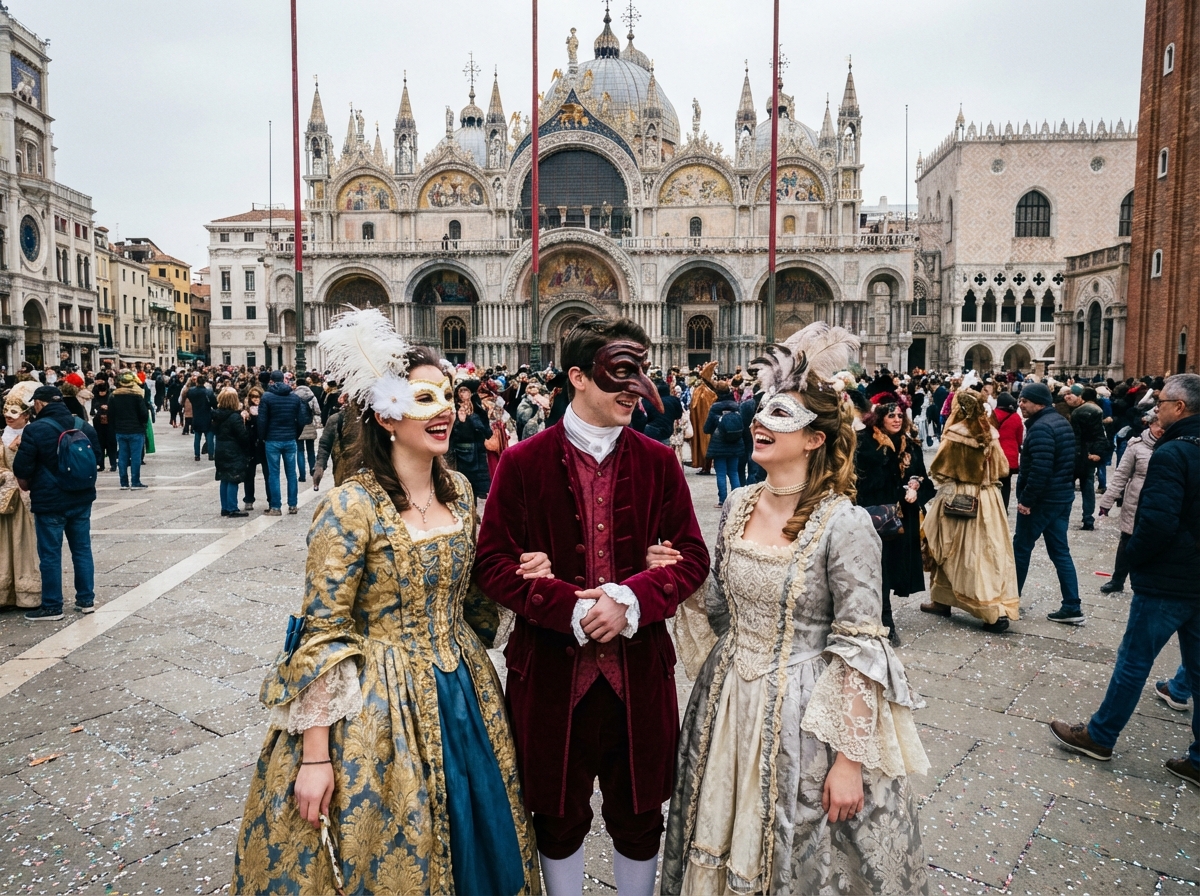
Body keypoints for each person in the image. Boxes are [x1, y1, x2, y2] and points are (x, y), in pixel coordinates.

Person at [232, 310, 543, 894]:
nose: (446, 408)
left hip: (466, 693)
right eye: (424, 396)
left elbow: (475, 604)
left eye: (448, 395)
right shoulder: (351, 506)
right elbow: (322, 631)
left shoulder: (461, 492)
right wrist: (317, 757)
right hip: (378, 709)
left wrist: (522, 570)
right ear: (385, 414)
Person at [661, 322, 929, 895]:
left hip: (806, 717)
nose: (758, 422)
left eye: (779, 415)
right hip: (727, 699)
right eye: (761, 411)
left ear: (814, 440)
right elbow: (719, 605)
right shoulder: (736, 504)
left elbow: (860, 644)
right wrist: (671, 577)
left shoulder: (846, 524)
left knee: (801, 847)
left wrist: (850, 760)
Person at [474, 316, 710, 896]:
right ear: (577, 376)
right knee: (556, 817)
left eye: (642, 374)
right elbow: (492, 565)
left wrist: (635, 598)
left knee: (639, 815)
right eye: (621, 374)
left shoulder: (659, 462)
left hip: (640, 674)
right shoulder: (524, 462)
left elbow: (693, 558)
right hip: (552, 675)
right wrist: (565, 607)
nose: (636, 390)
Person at [1049, 373, 1200, 790]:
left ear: (1181, 408)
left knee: (1134, 661)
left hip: (1168, 580)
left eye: (1164, 401)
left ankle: (1100, 736)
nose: (1157, 407)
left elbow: (1156, 523)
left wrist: (1132, 560)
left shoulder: (1174, 453)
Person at [921, 391, 1019, 633]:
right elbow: (1003, 468)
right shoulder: (991, 433)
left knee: (950, 549)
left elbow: (939, 469)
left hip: (960, 498)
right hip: (989, 499)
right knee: (988, 551)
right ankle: (943, 599)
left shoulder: (955, 434)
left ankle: (990, 611)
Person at [12, 386, 101, 621]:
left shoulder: (35, 430)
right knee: (82, 549)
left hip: (50, 500)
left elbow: (22, 467)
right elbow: (98, 459)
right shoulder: (82, 425)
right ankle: (86, 600)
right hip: (81, 498)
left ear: (40, 403)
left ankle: (52, 606)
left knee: (50, 554)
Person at [854, 395, 935, 647]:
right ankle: (886, 623)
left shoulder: (911, 445)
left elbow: (925, 479)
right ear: (879, 417)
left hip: (902, 519)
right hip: (874, 516)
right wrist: (889, 461)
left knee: (890, 568)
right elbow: (860, 481)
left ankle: (883, 618)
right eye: (891, 415)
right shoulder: (864, 443)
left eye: (900, 415)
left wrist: (916, 485)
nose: (897, 419)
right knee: (878, 568)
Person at [1012, 381, 1083, 625]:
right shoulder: (1060, 421)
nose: (1020, 405)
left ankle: (1011, 599)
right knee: (1060, 551)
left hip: (1043, 500)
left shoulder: (1041, 428)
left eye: (1025, 401)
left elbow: (1040, 469)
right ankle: (1072, 605)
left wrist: (1027, 500)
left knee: (1021, 548)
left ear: (1039, 403)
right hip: (1061, 498)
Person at [1097, 414, 1162, 593]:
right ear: (1150, 425)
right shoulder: (1136, 446)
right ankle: (1118, 580)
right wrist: (1107, 502)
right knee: (1127, 540)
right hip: (1135, 500)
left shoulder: (1173, 444)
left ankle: (1146, 581)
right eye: (1159, 427)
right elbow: (1121, 475)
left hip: (1160, 501)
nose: (1162, 431)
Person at [0, 385, 40, 608]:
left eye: (14, 412)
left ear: (26, 414)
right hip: (4, 502)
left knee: (25, 545)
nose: (8, 415)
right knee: (4, 546)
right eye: (6, 411)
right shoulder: (2, 437)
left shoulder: (32, 436)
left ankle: (28, 595)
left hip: (26, 502)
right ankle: (5, 594)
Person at [258, 370, 311, 516]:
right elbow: (301, 420)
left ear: (271, 381)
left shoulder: (267, 397)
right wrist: (296, 434)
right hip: (289, 439)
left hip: (272, 439)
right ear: (284, 380)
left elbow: (262, 420)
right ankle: (293, 505)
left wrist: (263, 437)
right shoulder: (294, 398)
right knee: (291, 474)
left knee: (273, 474)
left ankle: (276, 507)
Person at [1065, 385, 1107, 530]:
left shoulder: (1077, 413)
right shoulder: (1097, 411)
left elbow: (1075, 437)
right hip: (1089, 455)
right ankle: (1088, 519)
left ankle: (1063, 515)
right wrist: (1098, 453)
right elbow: (1100, 436)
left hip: (1076, 455)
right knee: (1088, 487)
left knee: (1068, 487)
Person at [703, 379, 744, 508]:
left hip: (718, 444)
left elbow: (707, 428)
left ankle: (723, 500)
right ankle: (737, 499)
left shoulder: (715, 407)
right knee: (733, 472)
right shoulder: (736, 405)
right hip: (735, 443)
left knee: (721, 473)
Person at [448, 379, 492, 500]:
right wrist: (461, 422)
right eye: (461, 391)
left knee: (476, 492)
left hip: (479, 455)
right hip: (462, 456)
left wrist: (475, 417)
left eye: (466, 391)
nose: (463, 394)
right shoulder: (454, 410)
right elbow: (452, 435)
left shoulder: (477, 408)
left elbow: (487, 433)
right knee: (464, 490)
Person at [213, 391, 252, 518]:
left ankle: (224, 507)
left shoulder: (216, 415)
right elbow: (243, 436)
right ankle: (232, 507)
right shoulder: (235, 417)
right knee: (233, 478)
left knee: (224, 478)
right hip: (233, 450)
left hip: (220, 448)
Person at [109, 371, 149, 491]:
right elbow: (144, 414)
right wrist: (142, 424)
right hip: (136, 429)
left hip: (120, 430)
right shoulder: (137, 396)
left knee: (122, 456)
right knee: (136, 457)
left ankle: (124, 482)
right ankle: (135, 482)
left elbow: (111, 414)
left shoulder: (114, 396)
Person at [994, 390, 1024, 510]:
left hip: (995, 455)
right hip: (1010, 457)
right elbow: (1020, 439)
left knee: (993, 483)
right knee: (1006, 484)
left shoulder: (992, 415)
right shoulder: (1016, 417)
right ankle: (1004, 508)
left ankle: (994, 508)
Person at [688, 365, 717, 473]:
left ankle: (706, 466)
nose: (715, 380)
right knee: (705, 443)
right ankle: (706, 466)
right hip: (705, 423)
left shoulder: (703, 390)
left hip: (705, 423)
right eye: (713, 377)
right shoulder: (705, 392)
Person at [293, 380, 321, 483]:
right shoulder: (311, 396)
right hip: (309, 425)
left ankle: (302, 475)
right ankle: (312, 471)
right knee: (310, 450)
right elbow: (317, 411)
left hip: (297, 427)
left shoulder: (293, 395)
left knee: (300, 451)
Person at [89, 377, 118, 473]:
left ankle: (113, 464)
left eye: (103, 391)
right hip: (99, 424)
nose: (102, 393)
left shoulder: (111, 397)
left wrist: (108, 407)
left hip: (110, 424)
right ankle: (100, 464)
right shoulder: (96, 397)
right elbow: (92, 409)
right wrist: (98, 407)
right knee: (100, 444)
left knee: (111, 445)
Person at [187, 375, 216, 460]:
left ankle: (197, 455)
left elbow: (188, 396)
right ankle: (211, 454)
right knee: (209, 437)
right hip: (207, 415)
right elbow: (214, 404)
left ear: (196, 382)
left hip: (196, 415)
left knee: (197, 437)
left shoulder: (191, 392)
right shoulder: (209, 392)